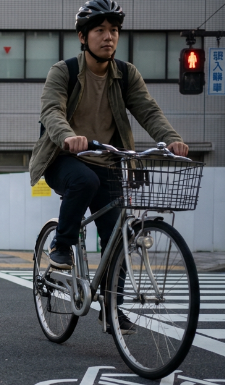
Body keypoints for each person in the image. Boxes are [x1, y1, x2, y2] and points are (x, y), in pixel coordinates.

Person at [30, 0, 189, 333]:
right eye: (100, 30)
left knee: (119, 238)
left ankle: (111, 309)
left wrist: (171, 140)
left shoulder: (126, 75)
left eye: (114, 30)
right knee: (83, 180)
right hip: (64, 159)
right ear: (82, 36)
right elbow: (51, 111)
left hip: (110, 162)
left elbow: (149, 111)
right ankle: (61, 247)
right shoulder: (65, 71)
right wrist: (69, 136)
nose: (108, 37)